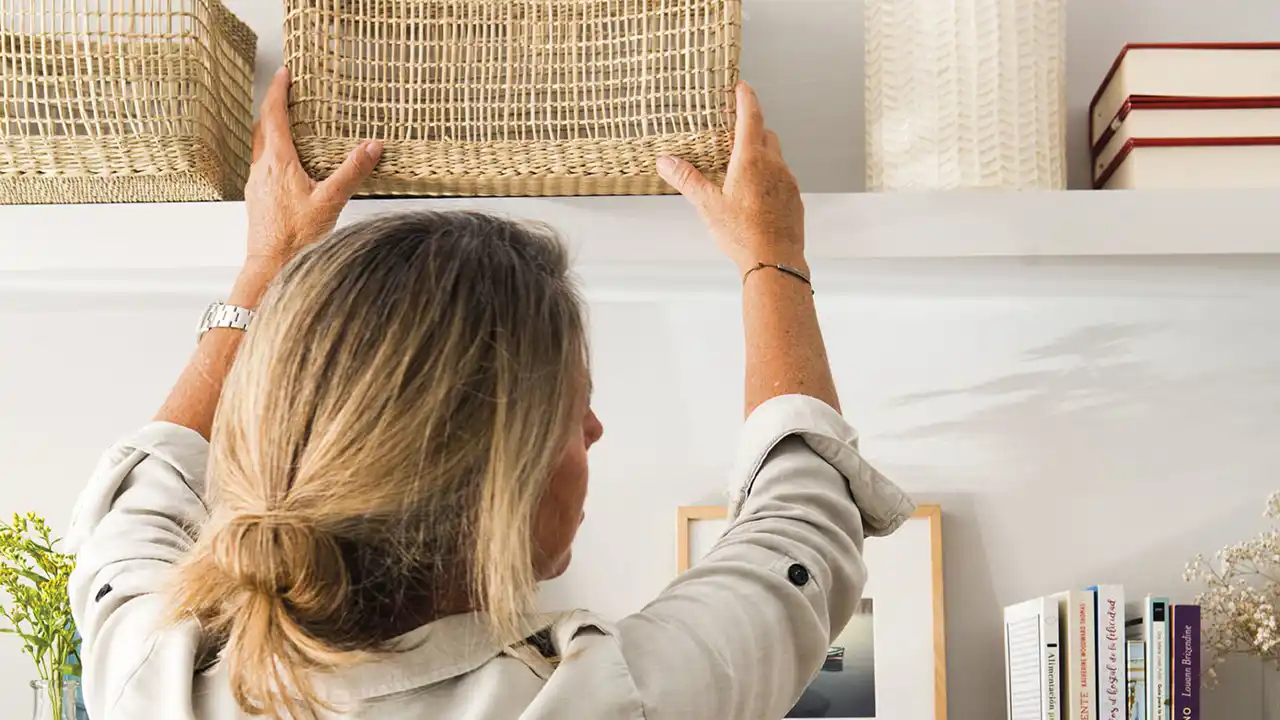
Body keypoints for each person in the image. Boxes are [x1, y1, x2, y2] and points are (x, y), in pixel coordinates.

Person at [65, 68, 914, 719]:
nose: (595, 427)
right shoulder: (613, 699)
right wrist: (772, 258)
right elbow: (801, 533)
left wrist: (265, 264)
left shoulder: (156, 678)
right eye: (567, 410)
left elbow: (145, 491)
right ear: (492, 476)